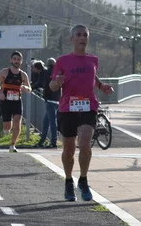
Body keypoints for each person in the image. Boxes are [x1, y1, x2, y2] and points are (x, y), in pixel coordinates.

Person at [50, 25, 115, 201]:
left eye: (85, 35)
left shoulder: (93, 60)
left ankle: (83, 180)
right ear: (72, 39)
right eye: (78, 35)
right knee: (69, 149)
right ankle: (68, 181)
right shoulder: (62, 61)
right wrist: (57, 82)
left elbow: (93, 77)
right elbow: (52, 86)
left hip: (88, 106)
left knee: (85, 143)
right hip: (67, 108)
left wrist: (101, 86)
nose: (82, 38)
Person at [0, 51, 31, 152]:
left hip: (17, 101)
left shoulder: (23, 75)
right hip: (6, 101)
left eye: (18, 59)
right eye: (15, 59)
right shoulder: (5, 72)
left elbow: (29, 88)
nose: (16, 61)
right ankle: (6, 128)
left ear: (21, 61)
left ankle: (12, 145)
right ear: (11, 60)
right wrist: (0, 93)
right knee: (7, 127)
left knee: (17, 121)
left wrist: (25, 88)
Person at [41, 57, 59, 148]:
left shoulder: (47, 72)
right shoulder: (58, 73)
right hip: (57, 99)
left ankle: (53, 142)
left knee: (52, 122)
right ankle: (42, 141)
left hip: (50, 100)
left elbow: (44, 84)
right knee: (46, 121)